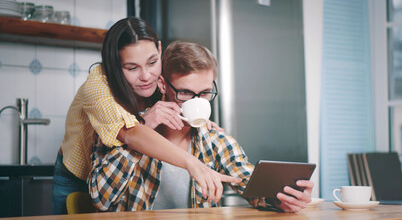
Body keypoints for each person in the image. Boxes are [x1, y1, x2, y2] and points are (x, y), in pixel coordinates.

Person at [88, 41, 314, 212]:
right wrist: (141, 132)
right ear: (163, 85)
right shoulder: (123, 128)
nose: (197, 102)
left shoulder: (215, 140)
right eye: (185, 92)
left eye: (205, 93)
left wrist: (283, 199)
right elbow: (100, 199)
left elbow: (252, 187)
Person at [52, 18, 238, 214]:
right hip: (78, 175)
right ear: (115, 64)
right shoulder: (98, 88)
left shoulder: (160, 79)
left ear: (159, 50)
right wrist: (192, 163)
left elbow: (180, 96)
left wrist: (196, 118)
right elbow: (130, 133)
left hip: (118, 173)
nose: (146, 76)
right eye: (132, 68)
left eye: (152, 62)